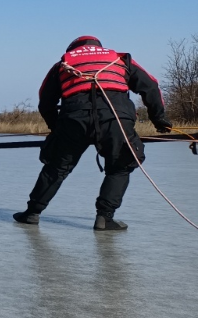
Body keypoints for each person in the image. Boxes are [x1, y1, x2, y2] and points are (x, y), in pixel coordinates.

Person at [13, 36, 171, 231]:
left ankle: (32, 213)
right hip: (116, 118)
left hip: (73, 119)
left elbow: (45, 102)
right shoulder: (120, 59)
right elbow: (151, 86)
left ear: (73, 49)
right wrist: (160, 120)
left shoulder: (63, 64)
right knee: (119, 167)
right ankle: (105, 218)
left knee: (57, 168)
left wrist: (57, 130)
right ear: (98, 47)